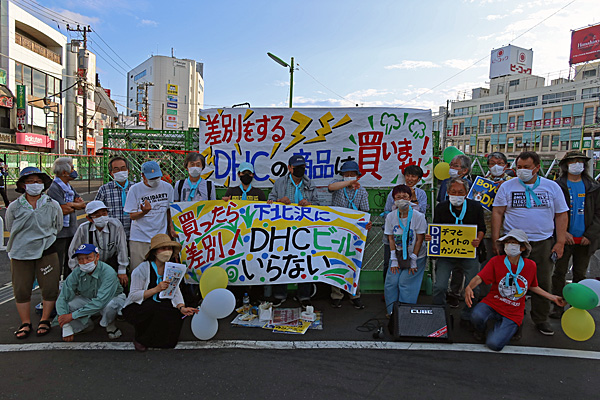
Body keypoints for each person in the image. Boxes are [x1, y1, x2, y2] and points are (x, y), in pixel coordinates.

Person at [492, 151, 568, 336]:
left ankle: (541, 319)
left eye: (526, 167)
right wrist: (496, 239)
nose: (522, 170)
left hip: (543, 241)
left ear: (537, 167)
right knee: (510, 282)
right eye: (519, 167)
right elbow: (498, 212)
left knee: (542, 281)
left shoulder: (552, 187)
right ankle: (511, 319)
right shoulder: (507, 186)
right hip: (514, 243)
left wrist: (560, 241)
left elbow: (561, 214)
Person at [465, 229, 566, 351]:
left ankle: (513, 326)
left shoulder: (530, 265)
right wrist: (469, 287)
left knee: (494, 344)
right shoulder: (496, 261)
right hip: (493, 303)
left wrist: (553, 297)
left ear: (522, 248)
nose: (510, 246)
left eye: (514, 243)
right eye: (507, 242)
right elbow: (479, 277)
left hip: (513, 311)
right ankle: (482, 330)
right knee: (476, 315)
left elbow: (532, 286)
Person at [6, 167, 62, 339]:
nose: (35, 185)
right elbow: (10, 226)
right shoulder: (14, 207)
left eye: (38, 181)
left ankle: (45, 319)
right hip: (20, 252)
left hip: (47, 250)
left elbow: (57, 226)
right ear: (23, 185)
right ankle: (25, 322)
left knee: (50, 287)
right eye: (30, 182)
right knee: (21, 289)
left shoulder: (52, 205)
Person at [122, 234, 198, 351]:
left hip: (161, 301)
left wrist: (181, 307)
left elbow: (175, 290)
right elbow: (133, 296)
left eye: (169, 249)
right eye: (163, 248)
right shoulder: (142, 269)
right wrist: (156, 289)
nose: (167, 252)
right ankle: (141, 339)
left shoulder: (172, 269)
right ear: (154, 252)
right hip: (139, 305)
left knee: (173, 312)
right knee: (152, 308)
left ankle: (163, 340)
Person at [426, 178, 485, 327]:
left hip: (469, 253)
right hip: (447, 254)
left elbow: (481, 228)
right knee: (439, 286)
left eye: (460, 192)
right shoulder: (441, 207)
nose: (456, 195)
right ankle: (439, 312)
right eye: (453, 192)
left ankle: (468, 315)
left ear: (466, 193)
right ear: (447, 192)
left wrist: (478, 239)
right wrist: (431, 237)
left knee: (474, 287)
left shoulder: (475, 207)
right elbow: (436, 228)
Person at [551, 151, 600, 318]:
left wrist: (590, 235)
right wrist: (562, 233)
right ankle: (558, 305)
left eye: (580, 161)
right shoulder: (557, 186)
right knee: (559, 273)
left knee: (580, 274)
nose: (577, 164)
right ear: (566, 165)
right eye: (573, 161)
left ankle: (577, 305)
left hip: (585, 240)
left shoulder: (593, 187)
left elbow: (599, 213)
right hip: (563, 239)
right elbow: (551, 212)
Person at [267, 154, 320, 308]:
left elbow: (318, 204)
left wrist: (309, 204)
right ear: (289, 168)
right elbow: (269, 202)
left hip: (304, 229)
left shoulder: (309, 183)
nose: (300, 170)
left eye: (302, 167)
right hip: (282, 228)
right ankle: (279, 294)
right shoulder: (280, 183)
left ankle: (304, 295)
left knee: (305, 260)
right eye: (297, 167)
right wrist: (278, 201)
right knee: (280, 259)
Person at [55, 244, 126, 341]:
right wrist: (65, 324)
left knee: (111, 305)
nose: (84, 262)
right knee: (67, 304)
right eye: (80, 259)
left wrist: (72, 316)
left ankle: (110, 324)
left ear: (97, 257)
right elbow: (63, 297)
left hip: (110, 299)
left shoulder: (108, 272)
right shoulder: (76, 273)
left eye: (88, 258)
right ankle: (85, 325)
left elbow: (101, 301)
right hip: (89, 298)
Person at [327, 160, 371, 309]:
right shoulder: (338, 186)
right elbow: (330, 187)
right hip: (337, 230)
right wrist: (348, 182)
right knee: (336, 261)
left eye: (353, 174)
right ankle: (336, 295)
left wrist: (366, 223)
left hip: (354, 231)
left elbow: (365, 211)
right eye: (347, 174)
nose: (350, 176)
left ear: (358, 175)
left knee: (353, 262)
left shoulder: (362, 191)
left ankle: (354, 294)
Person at [384, 185, 427, 315]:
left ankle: (405, 314)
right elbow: (391, 238)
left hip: (416, 255)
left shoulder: (419, 216)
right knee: (391, 283)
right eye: (398, 197)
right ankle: (392, 313)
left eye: (405, 197)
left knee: (405, 283)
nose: (401, 199)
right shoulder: (390, 216)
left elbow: (419, 239)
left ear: (410, 198)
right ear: (393, 199)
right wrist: (393, 259)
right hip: (397, 254)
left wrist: (414, 259)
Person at [124, 160, 175, 270]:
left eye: (157, 177)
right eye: (152, 178)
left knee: (161, 268)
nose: (155, 181)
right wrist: (144, 212)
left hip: (160, 236)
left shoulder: (168, 188)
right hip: (140, 237)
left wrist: (171, 228)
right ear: (143, 176)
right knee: (138, 269)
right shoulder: (135, 190)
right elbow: (132, 215)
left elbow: (169, 210)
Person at [381, 165, 428, 284]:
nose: (410, 179)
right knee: (389, 261)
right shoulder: (395, 191)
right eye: (408, 175)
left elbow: (422, 212)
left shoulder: (421, 193)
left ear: (419, 179)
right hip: (395, 234)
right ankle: (387, 286)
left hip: (412, 235)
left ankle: (406, 286)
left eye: (413, 176)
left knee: (411, 260)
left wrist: (413, 197)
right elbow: (387, 210)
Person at [67, 201, 129, 287]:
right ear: (89, 218)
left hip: (110, 263)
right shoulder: (83, 228)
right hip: (90, 265)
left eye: (104, 213)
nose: (102, 217)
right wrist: (76, 271)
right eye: (97, 215)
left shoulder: (116, 226)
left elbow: (122, 248)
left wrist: (122, 270)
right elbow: (73, 250)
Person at [47, 157, 86, 278]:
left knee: (71, 260)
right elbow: (63, 210)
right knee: (57, 261)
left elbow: (82, 204)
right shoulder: (54, 188)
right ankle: (55, 284)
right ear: (64, 172)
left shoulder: (69, 187)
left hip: (71, 230)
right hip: (59, 232)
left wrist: (70, 205)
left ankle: (68, 283)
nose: (74, 171)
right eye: (72, 168)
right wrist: (73, 206)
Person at [95, 156, 134, 239]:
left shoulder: (135, 188)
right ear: (111, 173)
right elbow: (96, 210)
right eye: (116, 169)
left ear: (128, 170)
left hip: (133, 233)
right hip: (112, 234)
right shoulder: (104, 189)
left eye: (123, 168)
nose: (120, 171)